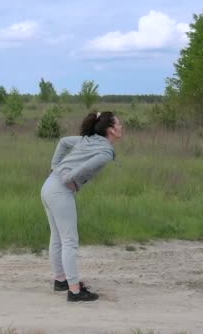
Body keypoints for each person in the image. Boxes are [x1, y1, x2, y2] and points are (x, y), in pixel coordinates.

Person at [40, 111, 123, 302]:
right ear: (111, 129)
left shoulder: (89, 139)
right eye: (118, 124)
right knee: (69, 241)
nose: (121, 127)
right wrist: (67, 177)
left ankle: (61, 280)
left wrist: (55, 167)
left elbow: (62, 142)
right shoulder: (105, 152)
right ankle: (75, 291)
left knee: (58, 237)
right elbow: (82, 170)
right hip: (60, 190)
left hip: (48, 187)